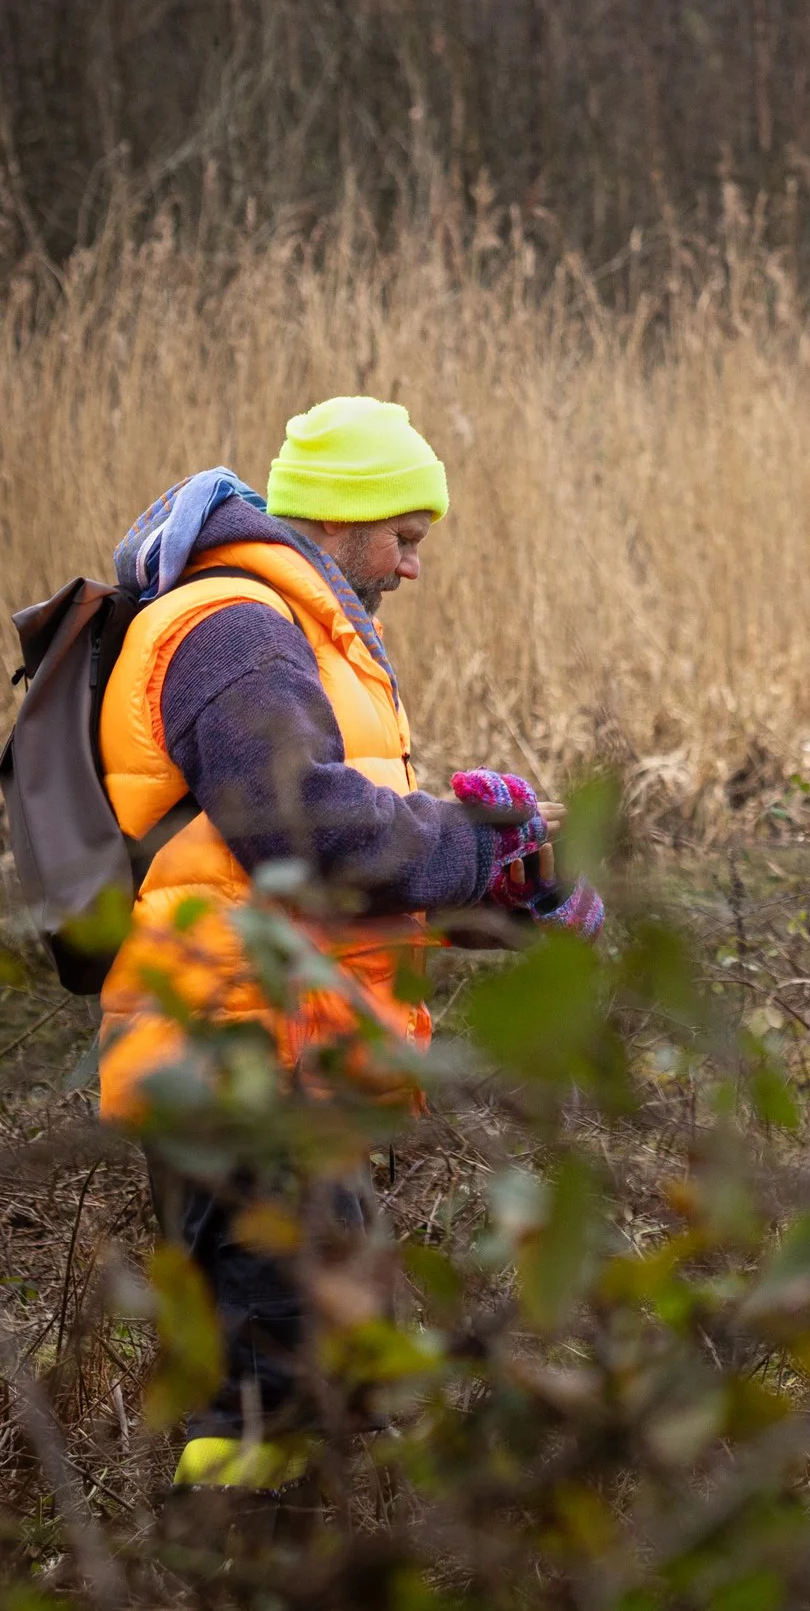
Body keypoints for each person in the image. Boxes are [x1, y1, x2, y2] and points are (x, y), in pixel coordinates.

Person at [96, 392, 594, 1489]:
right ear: (340, 519)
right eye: (404, 540)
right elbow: (301, 827)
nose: (413, 568)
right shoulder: (240, 631)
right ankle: (226, 1562)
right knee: (276, 1385)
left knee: (315, 1364)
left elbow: (301, 867)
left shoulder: (291, 633)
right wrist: (478, 842)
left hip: (285, 1050)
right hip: (236, 1051)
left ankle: (261, 1547)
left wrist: (510, 894)